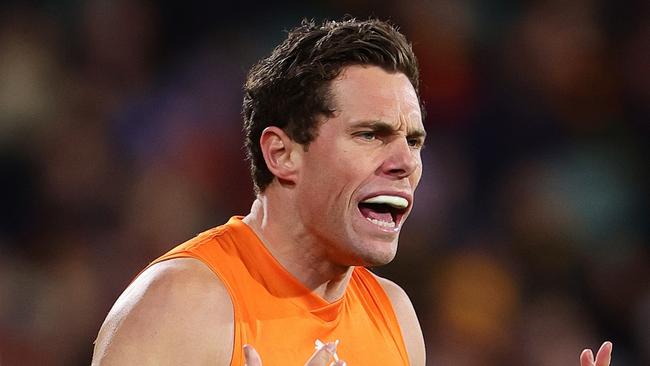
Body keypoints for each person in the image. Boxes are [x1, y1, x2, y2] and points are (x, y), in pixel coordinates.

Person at [92, 18, 613, 366]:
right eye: (371, 134)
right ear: (282, 154)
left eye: (413, 141)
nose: (406, 163)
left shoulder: (394, 316)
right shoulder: (183, 306)